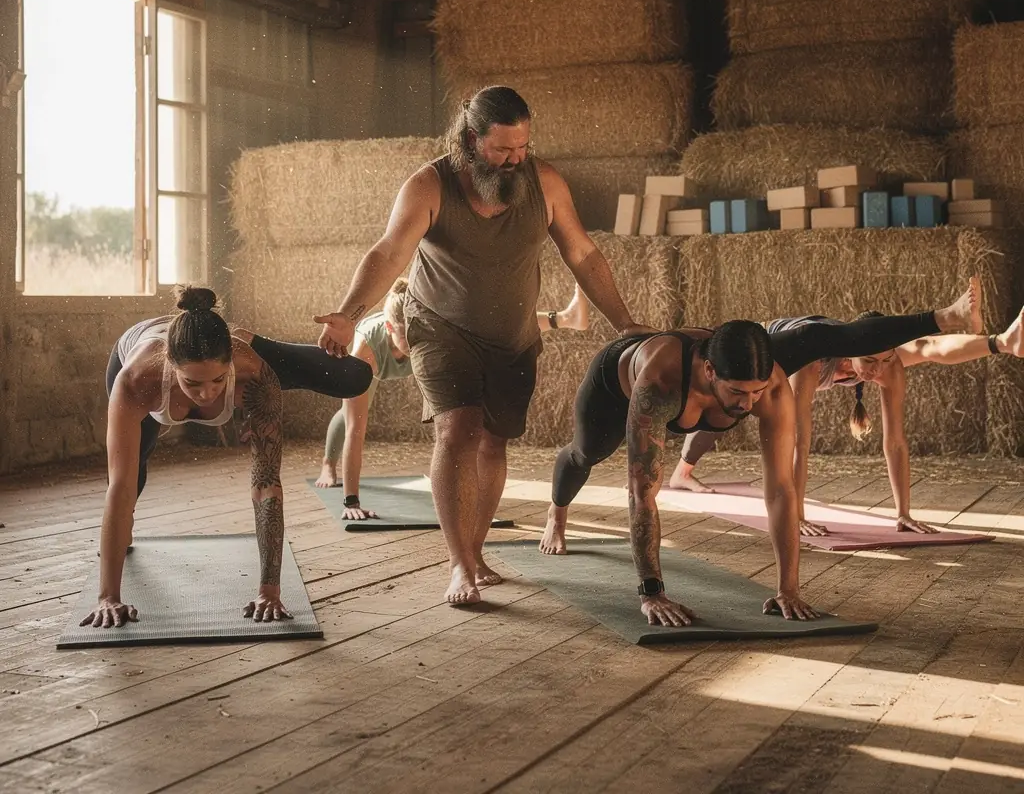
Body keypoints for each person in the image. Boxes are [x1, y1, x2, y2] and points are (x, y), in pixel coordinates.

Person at [314, 85, 649, 606]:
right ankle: (459, 565)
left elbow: (582, 254)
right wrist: (349, 313)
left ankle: (476, 549)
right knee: (458, 428)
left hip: (513, 336)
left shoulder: (545, 182)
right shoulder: (429, 185)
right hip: (441, 325)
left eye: (523, 148)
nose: (516, 160)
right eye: (502, 150)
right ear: (472, 140)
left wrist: (625, 322)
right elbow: (389, 253)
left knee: (495, 439)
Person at [539, 281, 981, 628]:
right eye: (736, 392)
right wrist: (651, 591)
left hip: (725, 373)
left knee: (819, 337)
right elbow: (641, 493)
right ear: (710, 372)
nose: (747, 405)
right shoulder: (659, 383)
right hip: (615, 383)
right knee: (585, 454)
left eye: (754, 392)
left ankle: (943, 317)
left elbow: (781, 491)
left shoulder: (769, 382)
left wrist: (789, 587)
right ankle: (556, 515)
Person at [82, 284, 372, 630]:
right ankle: (118, 542)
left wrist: (270, 590)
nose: (207, 394)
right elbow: (119, 488)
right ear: (171, 367)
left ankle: (239, 337)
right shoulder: (136, 381)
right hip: (134, 349)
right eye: (193, 383)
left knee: (354, 376)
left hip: (239, 349)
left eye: (218, 380)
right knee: (132, 476)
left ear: (231, 363)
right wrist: (108, 597)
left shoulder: (254, 374)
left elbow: (266, 485)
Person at [670, 301, 1024, 534]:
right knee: (728, 407)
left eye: (884, 360)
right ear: (850, 352)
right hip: (760, 349)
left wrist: (904, 512)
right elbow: (798, 441)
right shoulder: (812, 363)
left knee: (921, 350)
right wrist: (797, 517)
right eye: (869, 362)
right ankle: (682, 473)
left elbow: (896, 441)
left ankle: (1002, 342)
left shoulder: (884, 365)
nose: (877, 370)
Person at [313, 278, 591, 520]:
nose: (413, 341)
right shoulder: (364, 354)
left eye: (415, 331)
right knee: (352, 418)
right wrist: (351, 502)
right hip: (371, 367)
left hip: (422, 342)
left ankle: (566, 317)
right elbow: (355, 433)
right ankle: (328, 464)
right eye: (405, 335)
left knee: (486, 326)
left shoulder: (427, 329)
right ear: (389, 327)